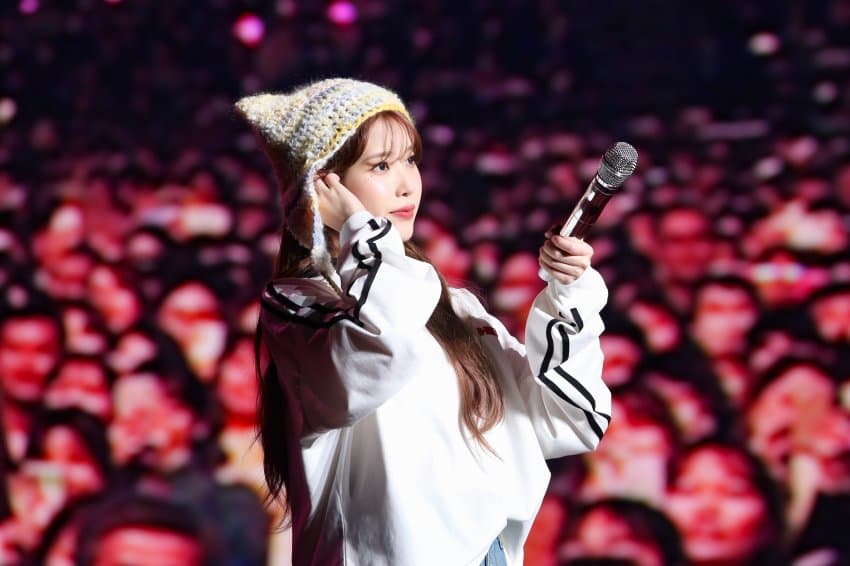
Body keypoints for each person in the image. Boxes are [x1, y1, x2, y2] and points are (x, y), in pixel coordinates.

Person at [236, 78, 611, 565]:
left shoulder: (457, 308)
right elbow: (381, 349)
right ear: (326, 188)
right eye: (381, 165)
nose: (407, 184)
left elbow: (570, 421)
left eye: (410, 159)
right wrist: (359, 231)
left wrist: (568, 295)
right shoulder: (298, 305)